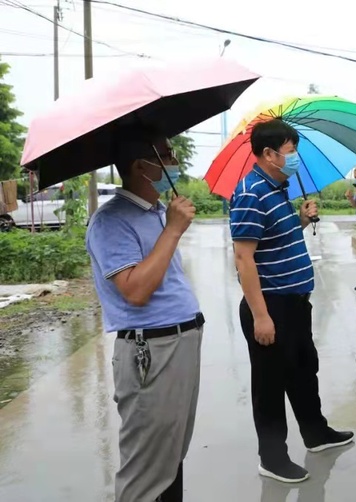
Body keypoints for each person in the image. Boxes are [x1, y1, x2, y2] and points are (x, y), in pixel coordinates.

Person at [230, 120, 354, 484]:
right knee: (270, 385)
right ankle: (272, 458)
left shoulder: (277, 189)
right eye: (291, 151)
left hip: (295, 303)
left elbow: (276, 240)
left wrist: (300, 219)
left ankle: (316, 433)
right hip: (271, 305)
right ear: (269, 154)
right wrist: (261, 316)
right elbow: (244, 258)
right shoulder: (251, 193)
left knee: (303, 370)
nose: (295, 157)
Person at [85, 132, 204, 502]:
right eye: (166, 155)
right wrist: (173, 230)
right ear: (141, 166)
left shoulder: (156, 213)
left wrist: (169, 225)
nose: (174, 162)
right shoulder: (111, 221)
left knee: (170, 453)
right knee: (146, 468)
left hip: (180, 342)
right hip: (151, 350)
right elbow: (135, 290)